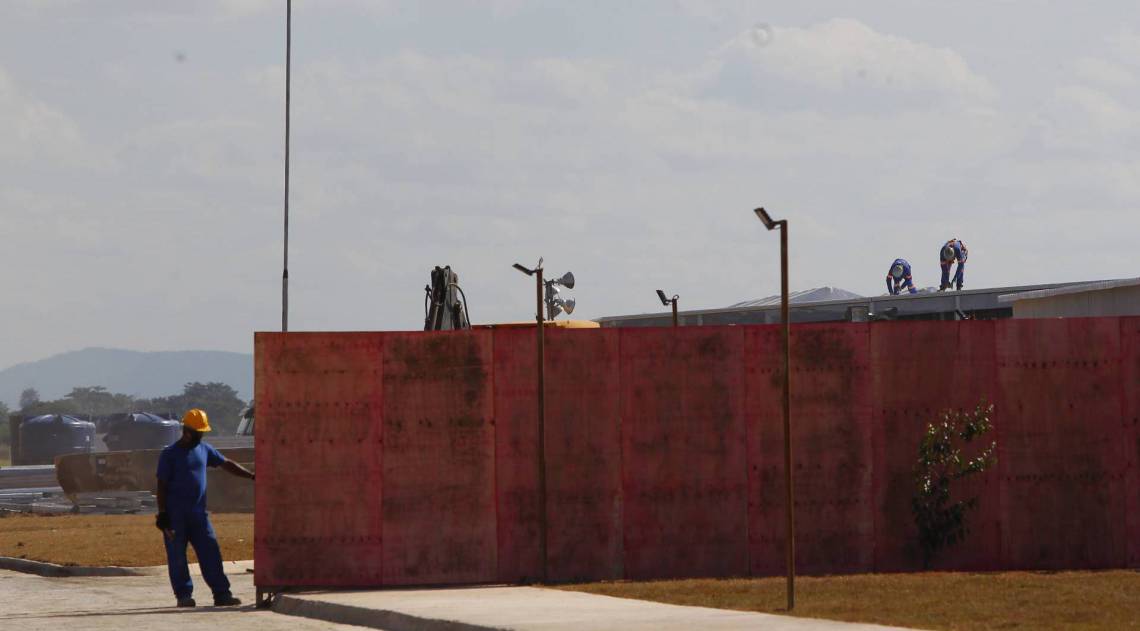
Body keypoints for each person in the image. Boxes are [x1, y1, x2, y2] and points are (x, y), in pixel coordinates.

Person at [156, 408, 255, 608]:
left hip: (199, 515)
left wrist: (251, 475)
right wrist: (163, 514)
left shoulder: (204, 449)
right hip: (175, 517)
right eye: (200, 432)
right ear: (188, 431)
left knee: (211, 553)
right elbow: (161, 486)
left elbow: (227, 463)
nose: (202, 435)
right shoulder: (170, 454)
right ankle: (184, 595)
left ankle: (221, 594)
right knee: (177, 558)